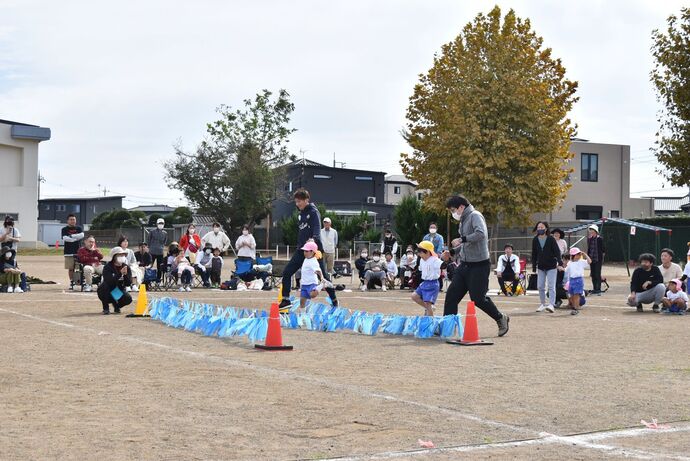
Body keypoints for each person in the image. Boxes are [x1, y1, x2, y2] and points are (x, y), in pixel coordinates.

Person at [443, 195, 509, 336]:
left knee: (478, 299)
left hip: (479, 265)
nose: (452, 213)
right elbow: (466, 245)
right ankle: (447, 327)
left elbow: (481, 234)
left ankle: (500, 317)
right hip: (464, 265)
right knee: (451, 295)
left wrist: (462, 239)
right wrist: (453, 251)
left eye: (453, 209)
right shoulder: (463, 220)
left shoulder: (475, 215)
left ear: (461, 207)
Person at [278, 189, 337, 312]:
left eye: (299, 201)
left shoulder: (314, 212)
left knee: (324, 276)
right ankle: (285, 300)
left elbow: (316, 230)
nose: (297, 204)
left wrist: (312, 241)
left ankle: (334, 300)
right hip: (301, 249)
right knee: (287, 272)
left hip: (314, 250)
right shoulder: (301, 214)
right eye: (296, 202)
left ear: (306, 200)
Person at [532, 221, 560, 313]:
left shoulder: (551, 239)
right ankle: (543, 304)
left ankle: (551, 304)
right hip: (541, 266)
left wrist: (559, 262)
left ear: (546, 229)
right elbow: (534, 254)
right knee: (540, 286)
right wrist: (533, 266)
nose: (540, 229)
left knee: (551, 286)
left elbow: (557, 251)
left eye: (542, 227)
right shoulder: (535, 240)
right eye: (538, 227)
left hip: (551, 266)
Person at [97, 247, 133, 315]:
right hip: (106, 290)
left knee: (128, 299)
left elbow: (128, 283)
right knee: (105, 286)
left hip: (117, 291)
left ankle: (116, 305)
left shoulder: (126, 267)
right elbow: (109, 282)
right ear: (114, 256)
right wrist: (120, 274)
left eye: (123, 255)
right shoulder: (108, 267)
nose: (122, 257)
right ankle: (106, 308)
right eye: (119, 255)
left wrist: (125, 275)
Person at [411, 241, 442, 316]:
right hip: (425, 282)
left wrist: (445, 258)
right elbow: (421, 269)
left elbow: (442, 265)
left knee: (428, 304)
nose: (418, 254)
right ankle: (430, 308)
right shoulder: (422, 260)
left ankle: (430, 322)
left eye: (420, 252)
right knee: (414, 296)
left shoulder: (435, 260)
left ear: (427, 252)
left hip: (433, 283)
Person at [297, 241, 330, 310]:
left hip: (311, 282)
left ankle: (322, 285)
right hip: (304, 284)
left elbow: (318, 270)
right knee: (302, 301)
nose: (304, 253)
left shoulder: (313, 261)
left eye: (306, 251)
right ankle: (303, 316)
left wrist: (322, 278)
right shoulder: (306, 259)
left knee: (312, 295)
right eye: (304, 251)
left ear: (312, 252)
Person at [564, 248, 591, 315]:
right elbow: (566, 270)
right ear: (573, 255)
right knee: (572, 294)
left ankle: (575, 308)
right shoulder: (570, 263)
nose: (579, 255)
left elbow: (589, 261)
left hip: (579, 280)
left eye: (579, 254)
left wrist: (585, 255)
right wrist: (562, 268)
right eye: (577, 254)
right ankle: (574, 307)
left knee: (577, 295)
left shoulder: (581, 261)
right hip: (571, 280)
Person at [61, 214, 85, 288]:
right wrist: (75, 238)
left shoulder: (79, 228)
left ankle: (82, 281)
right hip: (68, 252)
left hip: (79, 251)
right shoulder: (64, 229)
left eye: (74, 219)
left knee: (81, 267)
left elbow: (81, 235)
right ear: (68, 221)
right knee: (71, 268)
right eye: (71, 219)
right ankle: (72, 282)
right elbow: (65, 238)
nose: (72, 221)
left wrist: (71, 236)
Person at [586, 224, 605, 295]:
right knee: (593, 274)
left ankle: (598, 288)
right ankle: (594, 288)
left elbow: (603, 249)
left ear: (596, 231)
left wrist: (602, 258)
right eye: (590, 230)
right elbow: (589, 249)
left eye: (592, 230)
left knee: (597, 274)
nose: (591, 232)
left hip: (598, 259)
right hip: (591, 258)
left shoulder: (600, 239)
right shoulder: (589, 239)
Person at [148, 218, 168, 284]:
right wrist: (150, 247)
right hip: (152, 251)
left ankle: (158, 281)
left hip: (160, 252)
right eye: (159, 223)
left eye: (162, 223)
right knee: (150, 266)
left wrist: (161, 247)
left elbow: (165, 242)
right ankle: (148, 279)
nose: (161, 225)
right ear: (156, 224)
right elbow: (149, 240)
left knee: (160, 267)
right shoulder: (152, 231)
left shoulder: (165, 233)